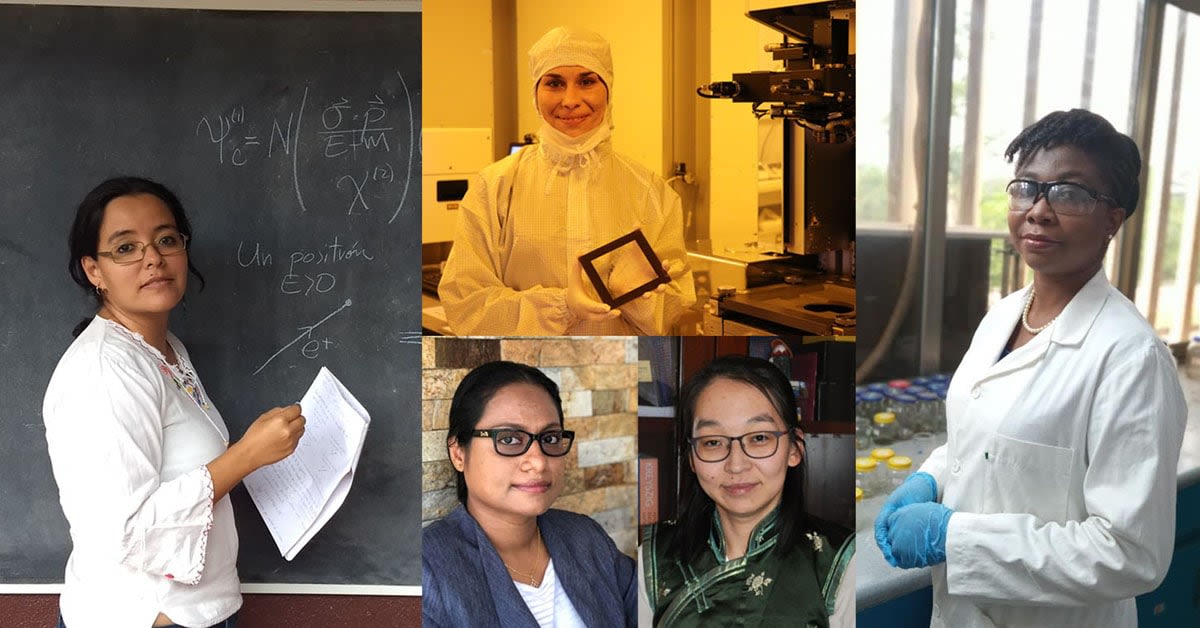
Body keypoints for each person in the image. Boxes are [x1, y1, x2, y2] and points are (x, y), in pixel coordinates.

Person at [874, 109, 1187, 627]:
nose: (1039, 209)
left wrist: (954, 538)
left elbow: (1132, 554)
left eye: (1070, 192)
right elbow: (991, 442)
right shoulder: (1004, 313)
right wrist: (929, 479)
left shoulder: (1131, 359)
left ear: (1113, 218)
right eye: (1027, 187)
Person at [44, 177, 307, 628]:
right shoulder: (105, 370)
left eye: (166, 240)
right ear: (94, 270)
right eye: (125, 248)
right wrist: (246, 456)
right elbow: (126, 530)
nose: (153, 258)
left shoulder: (166, 349)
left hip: (199, 609)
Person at [437, 26, 695, 335]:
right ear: (536, 93)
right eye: (554, 83)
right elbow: (466, 304)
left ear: (608, 88)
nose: (570, 100)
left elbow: (670, 315)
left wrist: (638, 295)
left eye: (587, 81)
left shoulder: (651, 192)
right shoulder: (493, 187)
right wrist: (562, 306)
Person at [640, 355, 854, 627]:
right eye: (713, 442)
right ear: (692, 457)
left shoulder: (840, 563)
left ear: (794, 449)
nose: (736, 465)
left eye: (759, 438)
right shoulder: (654, 559)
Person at [422, 360, 637, 627]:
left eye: (549, 439)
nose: (538, 462)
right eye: (509, 439)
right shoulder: (428, 568)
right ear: (458, 453)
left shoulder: (586, 538)